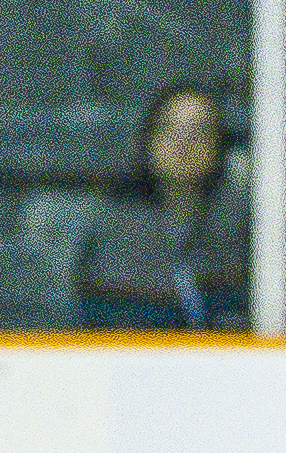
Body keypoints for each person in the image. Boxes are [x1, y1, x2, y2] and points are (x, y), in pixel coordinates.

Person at [75, 82, 247, 330]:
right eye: (171, 129)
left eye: (200, 131)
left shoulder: (240, 228)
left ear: (220, 147)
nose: (184, 143)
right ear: (149, 140)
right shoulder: (114, 227)